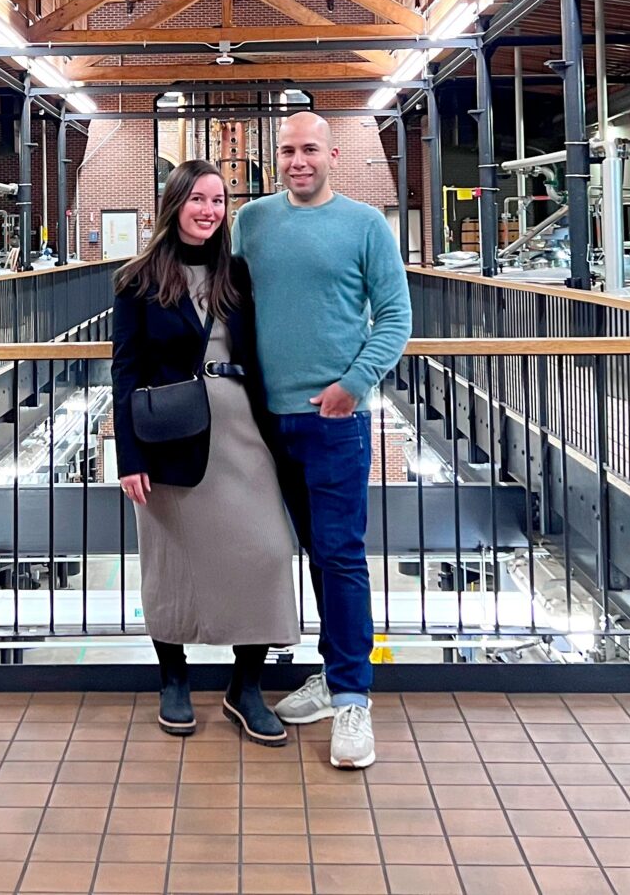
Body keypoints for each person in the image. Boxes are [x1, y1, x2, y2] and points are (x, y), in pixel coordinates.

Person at [233, 111, 411, 771]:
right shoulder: (252, 222)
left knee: (338, 554)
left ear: (332, 154)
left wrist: (354, 383)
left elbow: (395, 316)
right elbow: (226, 299)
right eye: (287, 150)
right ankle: (329, 675)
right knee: (286, 551)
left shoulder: (364, 225)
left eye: (310, 148)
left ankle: (353, 695)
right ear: (275, 156)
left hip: (336, 422)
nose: (298, 159)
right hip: (260, 424)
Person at [112, 159, 298, 746]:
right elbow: (125, 370)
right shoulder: (137, 278)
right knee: (168, 562)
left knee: (267, 552)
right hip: (170, 436)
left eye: (218, 201)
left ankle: (246, 686)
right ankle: (174, 678)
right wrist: (129, 456)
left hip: (243, 429)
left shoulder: (237, 272)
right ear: (176, 203)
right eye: (197, 199)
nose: (209, 210)